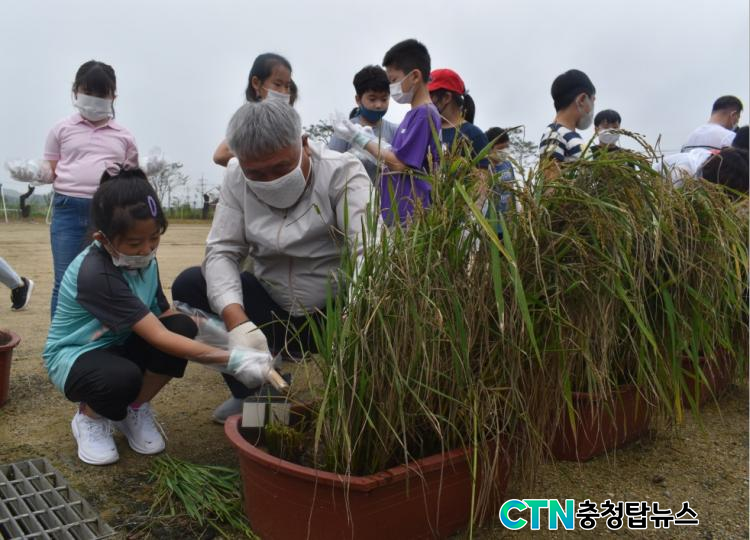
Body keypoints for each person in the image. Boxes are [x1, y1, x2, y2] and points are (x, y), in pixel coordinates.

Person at [43, 167, 276, 466]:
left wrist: (220, 334)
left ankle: (134, 409)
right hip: (78, 354)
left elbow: (163, 314)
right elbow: (158, 336)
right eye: (134, 243)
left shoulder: (143, 260)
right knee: (121, 378)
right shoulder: (96, 273)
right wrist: (232, 359)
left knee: (181, 326)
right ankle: (90, 418)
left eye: (154, 238)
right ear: (103, 238)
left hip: (122, 341)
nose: (146, 249)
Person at [172, 100, 372, 422]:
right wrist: (238, 323)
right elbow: (222, 251)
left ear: (303, 144)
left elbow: (368, 251)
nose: (270, 181)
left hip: (334, 311)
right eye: (256, 173)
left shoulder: (342, 171)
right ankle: (255, 394)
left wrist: (355, 316)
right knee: (190, 285)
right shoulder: (236, 176)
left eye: (280, 168)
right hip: (270, 308)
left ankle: (356, 404)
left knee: (382, 301)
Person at [44, 60, 139, 316]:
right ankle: (60, 338)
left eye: (102, 93)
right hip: (68, 209)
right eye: (88, 91)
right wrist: (35, 173)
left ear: (113, 96)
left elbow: (129, 179)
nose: (94, 98)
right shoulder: (61, 129)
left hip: (108, 213)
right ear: (75, 91)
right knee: (65, 280)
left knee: (107, 279)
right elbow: (50, 169)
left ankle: (103, 335)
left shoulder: (124, 136)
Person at [332, 38, 441, 225]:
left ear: (415, 76)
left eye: (394, 80)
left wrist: (361, 139)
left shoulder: (424, 114)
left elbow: (398, 164)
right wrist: (372, 142)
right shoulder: (412, 115)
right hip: (394, 213)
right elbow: (397, 155)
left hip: (410, 215)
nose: (392, 87)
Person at [213, 53, 295, 167]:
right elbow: (220, 155)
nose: (284, 92)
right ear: (256, 83)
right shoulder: (250, 120)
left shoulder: (288, 123)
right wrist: (264, 155)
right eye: (277, 84)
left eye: (287, 86)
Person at [328, 65, 398, 182]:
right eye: (372, 99)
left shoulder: (395, 130)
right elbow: (330, 167)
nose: (378, 105)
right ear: (358, 99)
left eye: (384, 99)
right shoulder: (345, 131)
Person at [428, 68, 489, 168]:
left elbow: (483, 175)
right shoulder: (427, 129)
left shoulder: (474, 135)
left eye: (429, 96)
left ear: (446, 97)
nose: (424, 102)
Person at [539, 69, 596, 165]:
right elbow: (550, 173)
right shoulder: (554, 134)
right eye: (593, 100)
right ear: (582, 99)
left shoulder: (571, 136)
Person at [484, 127, 515, 228]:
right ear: (489, 147)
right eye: (501, 148)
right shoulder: (483, 167)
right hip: (489, 222)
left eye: (507, 147)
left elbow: (512, 191)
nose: (505, 151)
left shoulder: (508, 165)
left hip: (507, 222)